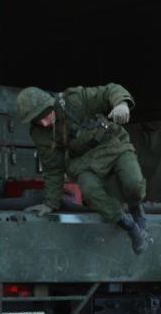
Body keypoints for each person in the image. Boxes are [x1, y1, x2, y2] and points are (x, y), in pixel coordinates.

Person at [14, 85, 150, 255]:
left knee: (134, 185)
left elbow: (108, 91)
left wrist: (121, 103)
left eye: (44, 115)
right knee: (90, 193)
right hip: (83, 161)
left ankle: (136, 209)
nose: (43, 122)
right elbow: (53, 168)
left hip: (113, 144)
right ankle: (129, 225)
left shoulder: (73, 100)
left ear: (51, 104)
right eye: (37, 120)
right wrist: (50, 203)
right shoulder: (40, 133)